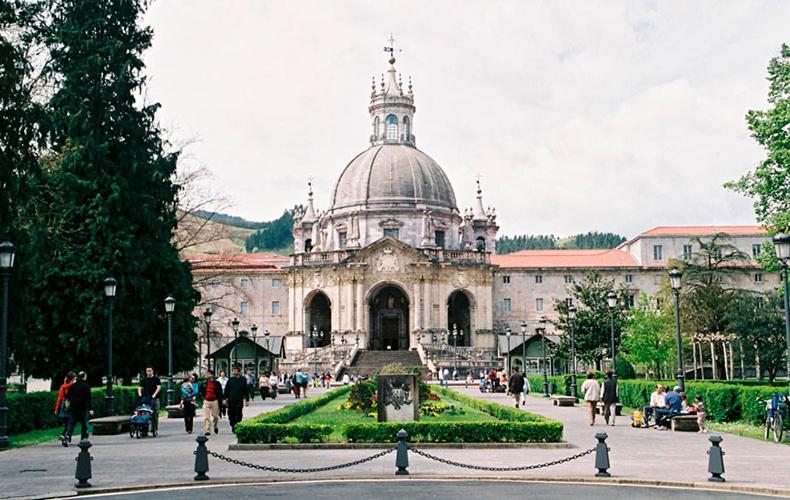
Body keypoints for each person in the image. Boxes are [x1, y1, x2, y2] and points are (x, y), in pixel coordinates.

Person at [62, 371, 92, 446]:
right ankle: (83, 439)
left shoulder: (73, 386)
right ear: (84, 377)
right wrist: (91, 409)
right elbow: (89, 399)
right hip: (83, 408)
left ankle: (67, 436)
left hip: (74, 408)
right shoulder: (86, 386)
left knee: (71, 423)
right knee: (84, 424)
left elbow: (67, 396)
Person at [223, 365, 250, 432]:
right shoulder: (230, 380)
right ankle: (233, 425)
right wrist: (224, 399)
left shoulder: (243, 379)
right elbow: (226, 390)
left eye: (235, 370)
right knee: (230, 414)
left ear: (239, 371)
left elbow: (246, 390)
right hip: (231, 400)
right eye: (233, 371)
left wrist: (247, 400)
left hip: (239, 400)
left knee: (238, 413)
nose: (234, 372)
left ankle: (237, 424)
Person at [137, 366, 162, 435]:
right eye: (147, 371)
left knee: (155, 414)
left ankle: (154, 429)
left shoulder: (156, 379)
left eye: (150, 370)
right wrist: (140, 395)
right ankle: (144, 430)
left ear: (152, 371)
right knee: (144, 413)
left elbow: (159, 387)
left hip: (155, 399)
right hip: (146, 399)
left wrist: (154, 395)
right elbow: (139, 387)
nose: (148, 372)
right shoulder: (144, 380)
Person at [198, 369, 222, 436]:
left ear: (212, 375)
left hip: (214, 401)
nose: (207, 375)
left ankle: (215, 426)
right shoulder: (204, 383)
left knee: (215, 416)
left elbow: (220, 392)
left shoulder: (217, 383)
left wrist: (219, 399)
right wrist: (202, 399)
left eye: (208, 374)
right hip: (206, 401)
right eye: (206, 374)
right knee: (206, 417)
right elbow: (200, 392)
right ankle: (207, 430)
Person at [55, 371, 76, 439]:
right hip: (71, 404)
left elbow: (59, 398)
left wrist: (56, 409)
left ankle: (64, 435)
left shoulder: (62, 387)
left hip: (64, 405)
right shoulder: (74, 386)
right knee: (71, 422)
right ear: (72, 379)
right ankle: (65, 435)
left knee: (67, 422)